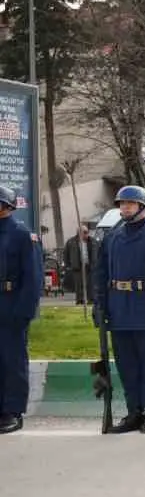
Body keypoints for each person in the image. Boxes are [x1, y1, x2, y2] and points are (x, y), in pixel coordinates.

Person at [94, 185, 145, 433]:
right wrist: (100, 307)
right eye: (122, 203)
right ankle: (134, 411)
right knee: (126, 365)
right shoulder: (113, 237)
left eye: (130, 203)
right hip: (119, 309)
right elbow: (101, 275)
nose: (125, 207)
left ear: (144, 207)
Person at [0, 186, 42, 434]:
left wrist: (24, 311)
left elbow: (33, 278)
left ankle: (12, 410)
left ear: (7, 206)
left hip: (10, 302)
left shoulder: (21, 234)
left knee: (12, 360)